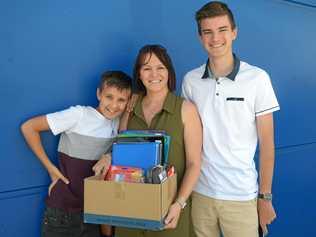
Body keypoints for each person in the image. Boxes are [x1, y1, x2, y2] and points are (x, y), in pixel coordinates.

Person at [181, 2, 280, 237]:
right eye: (208, 31)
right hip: (200, 195)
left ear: (234, 32)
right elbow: (187, 138)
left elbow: (267, 144)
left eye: (222, 29)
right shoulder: (191, 81)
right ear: (200, 36)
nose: (215, 38)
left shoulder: (257, 79)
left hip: (241, 197)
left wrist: (264, 197)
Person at [20, 70, 132, 237]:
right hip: (62, 215)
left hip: (93, 215)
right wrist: (51, 169)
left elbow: (136, 100)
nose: (114, 105)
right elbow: (28, 127)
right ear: (98, 94)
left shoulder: (117, 122)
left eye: (121, 100)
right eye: (109, 97)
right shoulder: (79, 115)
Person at [114, 44, 202, 237]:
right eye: (146, 68)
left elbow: (194, 164)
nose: (154, 74)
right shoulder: (130, 106)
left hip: (170, 213)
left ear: (169, 72)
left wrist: (179, 204)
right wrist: (106, 157)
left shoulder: (186, 110)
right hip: (129, 211)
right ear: (139, 74)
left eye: (160, 67)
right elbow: (118, 152)